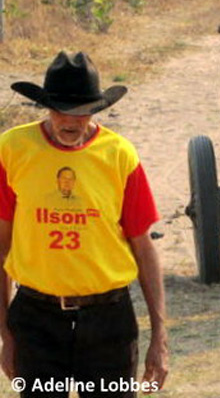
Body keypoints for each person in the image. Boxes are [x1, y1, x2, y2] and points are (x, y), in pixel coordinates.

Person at [0, 51, 168, 397]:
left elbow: (143, 245)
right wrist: (6, 334)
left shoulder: (120, 155)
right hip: (35, 321)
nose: (71, 121)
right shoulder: (12, 149)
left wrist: (160, 338)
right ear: (45, 106)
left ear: (96, 109)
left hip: (109, 322)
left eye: (81, 111)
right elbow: (1, 245)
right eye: (61, 109)